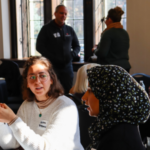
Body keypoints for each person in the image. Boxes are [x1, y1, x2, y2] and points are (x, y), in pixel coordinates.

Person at [0, 56, 84, 150]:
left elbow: (45, 148)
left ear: (51, 79)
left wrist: (13, 120)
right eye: (32, 77)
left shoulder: (65, 106)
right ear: (27, 83)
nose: (37, 81)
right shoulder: (27, 105)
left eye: (42, 76)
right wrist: (1, 121)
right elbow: (13, 144)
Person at [82, 65, 150, 150]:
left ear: (110, 95)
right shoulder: (116, 126)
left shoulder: (116, 140)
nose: (83, 98)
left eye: (90, 91)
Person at [36, 5, 80, 94]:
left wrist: (71, 55)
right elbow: (39, 46)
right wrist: (52, 58)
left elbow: (77, 46)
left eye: (65, 14)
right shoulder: (46, 29)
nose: (63, 15)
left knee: (67, 93)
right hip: (52, 68)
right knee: (52, 93)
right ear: (55, 14)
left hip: (67, 69)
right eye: (61, 13)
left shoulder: (69, 30)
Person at [92, 6, 131, 72]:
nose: (105, 22)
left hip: (112, 70)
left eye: (106, 19)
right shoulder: (125, 33)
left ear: (109, 19)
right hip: (125, 69)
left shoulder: (108, 32)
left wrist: (94, 50)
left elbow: (102, 53)